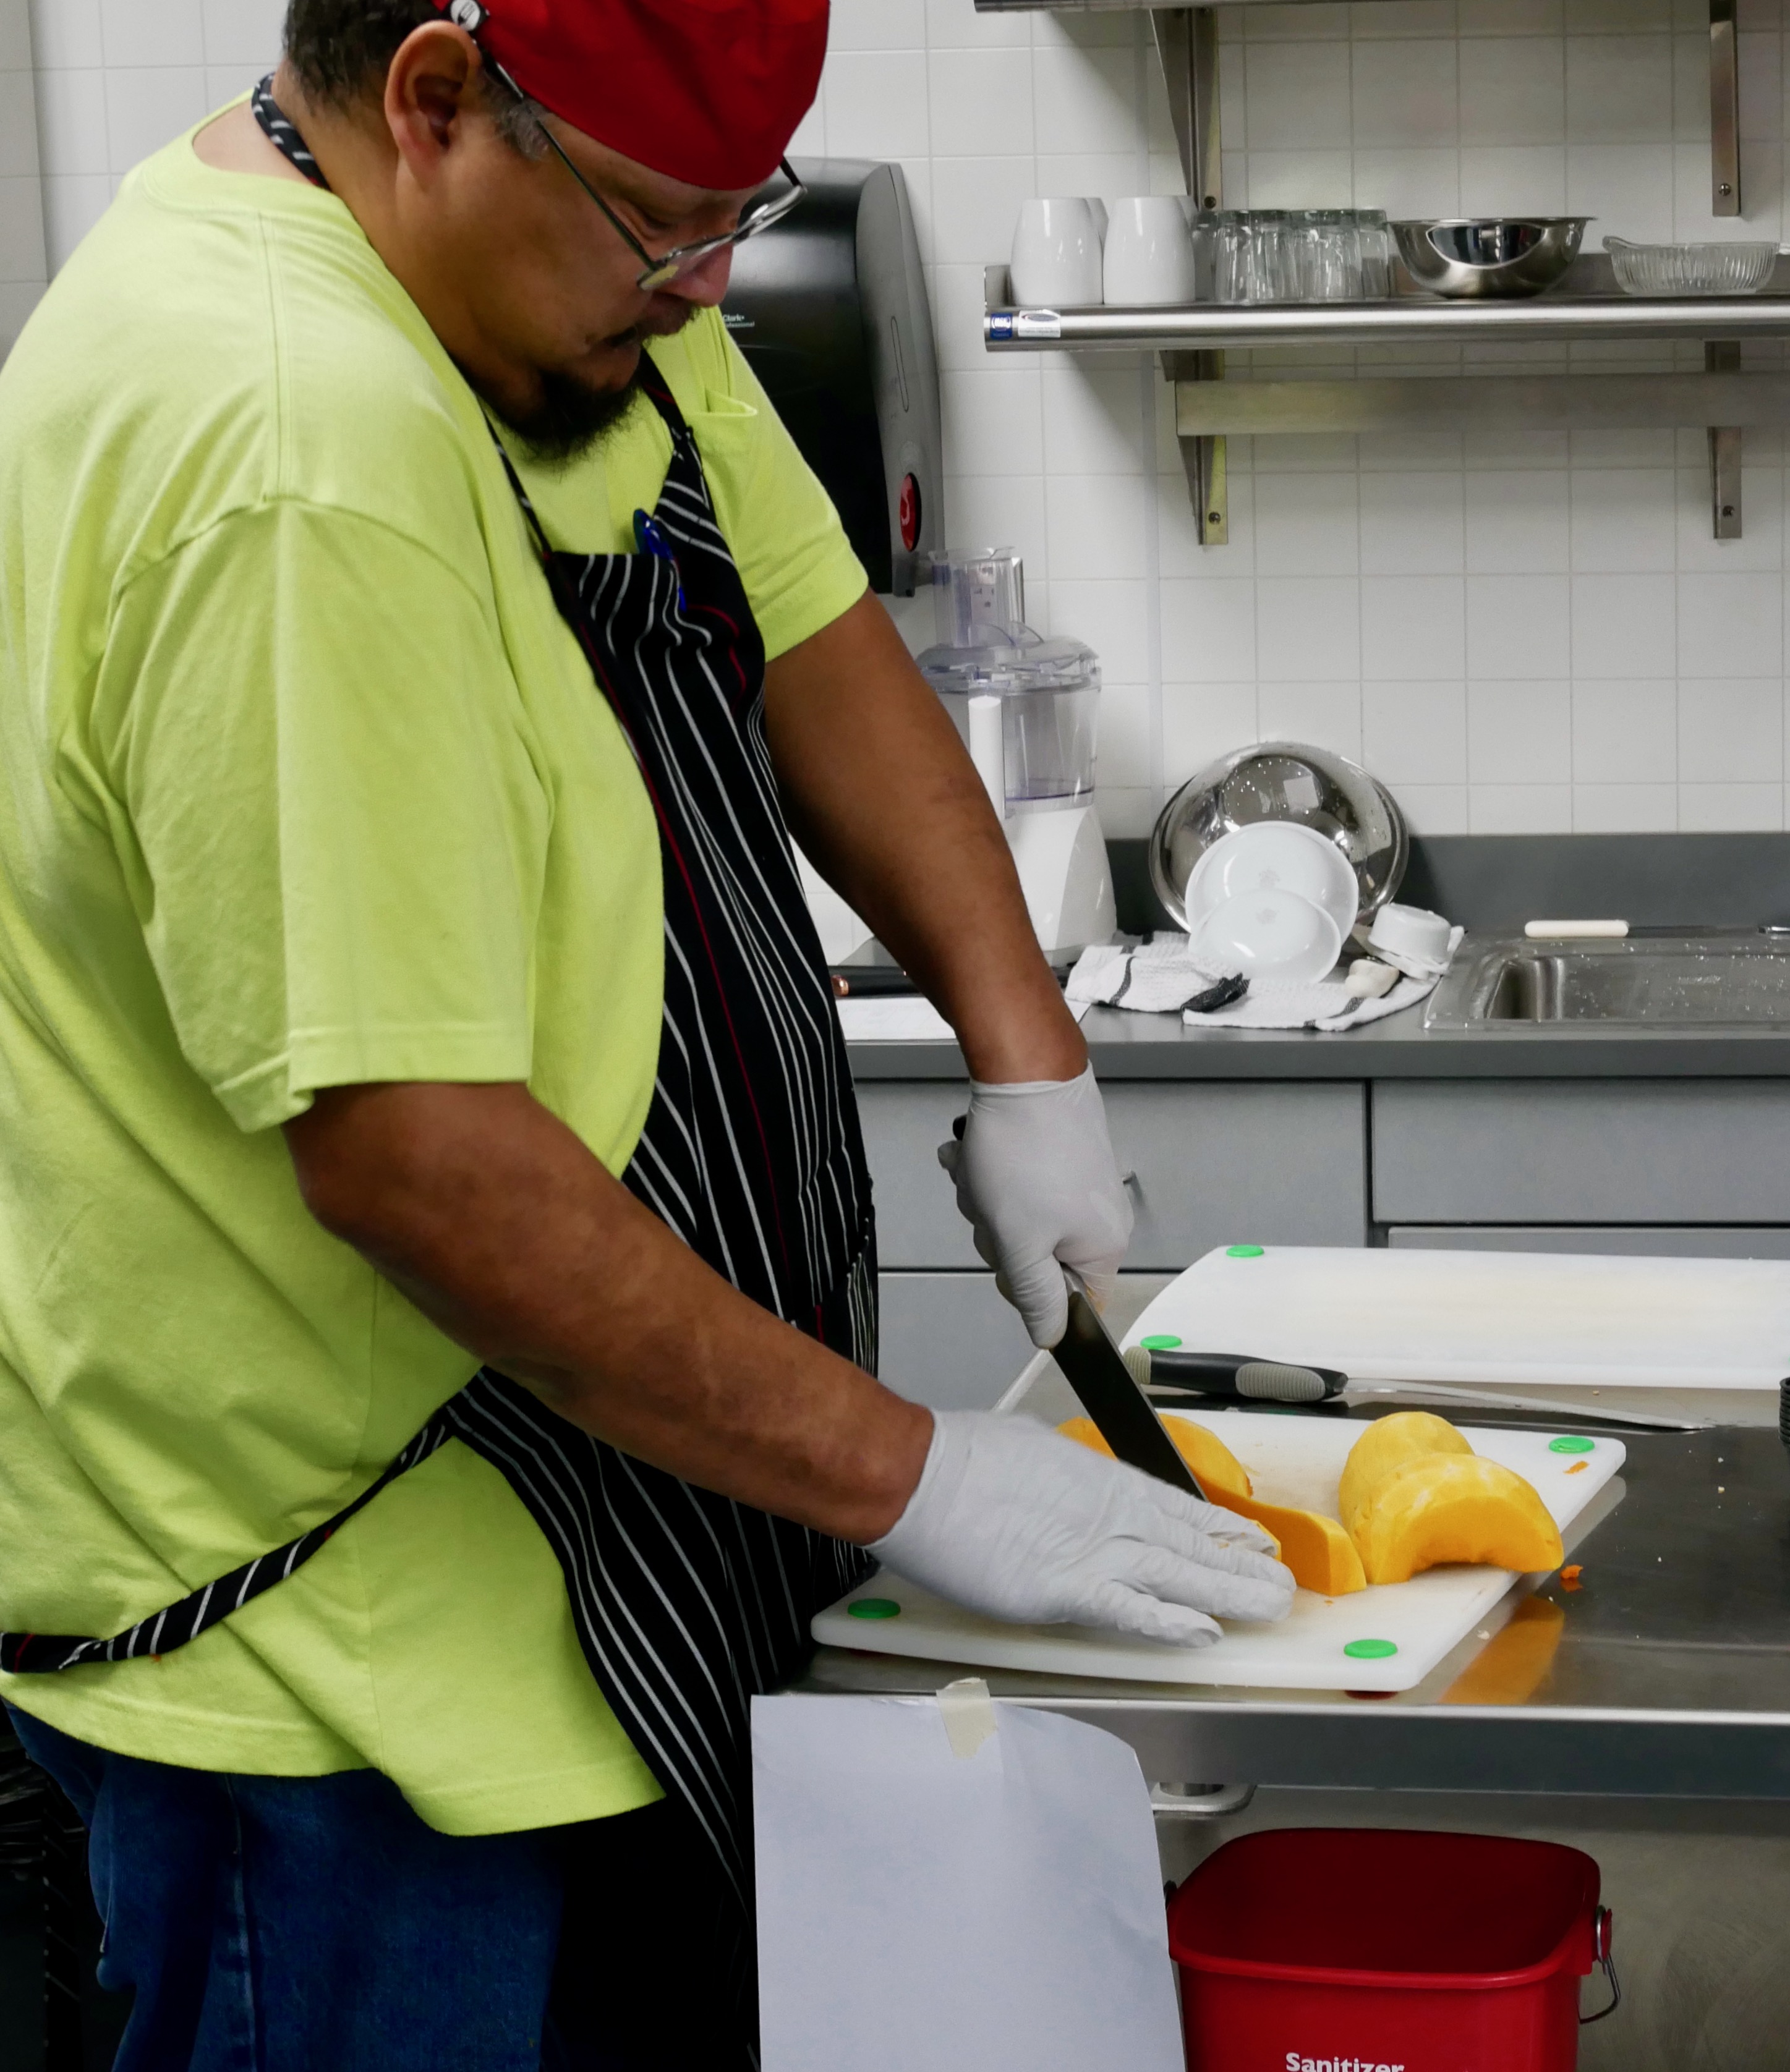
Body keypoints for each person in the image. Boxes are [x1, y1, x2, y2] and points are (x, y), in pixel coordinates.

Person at [0, 2, 1293, 2064]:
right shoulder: (291, 443)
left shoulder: (570, 295)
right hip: (346, 1683)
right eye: (660, 234)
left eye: (736, 225)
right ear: (433, 99)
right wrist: (908, 1475)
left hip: (618, 1557)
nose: (705, 293)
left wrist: (1027, 1047)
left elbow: (814, 634)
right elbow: (418, 1158)